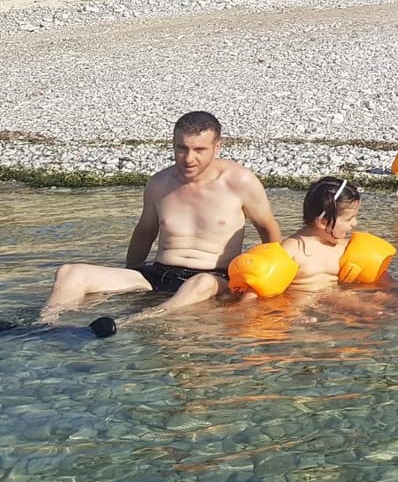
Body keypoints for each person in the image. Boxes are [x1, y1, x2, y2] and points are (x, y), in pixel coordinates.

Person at [39, 111, 281, 330]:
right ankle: (44, 326)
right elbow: (144, 232)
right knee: (70, 273)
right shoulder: (160, 184)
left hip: (213, 278)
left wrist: (267, 281)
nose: (188, 158)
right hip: (158, 274)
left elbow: (268, 230)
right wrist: (129, 274)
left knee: (200, 284)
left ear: (217, 146)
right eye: (181, 148)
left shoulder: (241, 182)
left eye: (199, 150)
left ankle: (127, 322)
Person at [279, 176, 362, 293]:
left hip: (335, 305)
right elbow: (259, 287)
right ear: (323, 222)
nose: (355, 223)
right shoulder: (291, 250)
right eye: (349, 219)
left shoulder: (344, 248)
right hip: (301, 307)